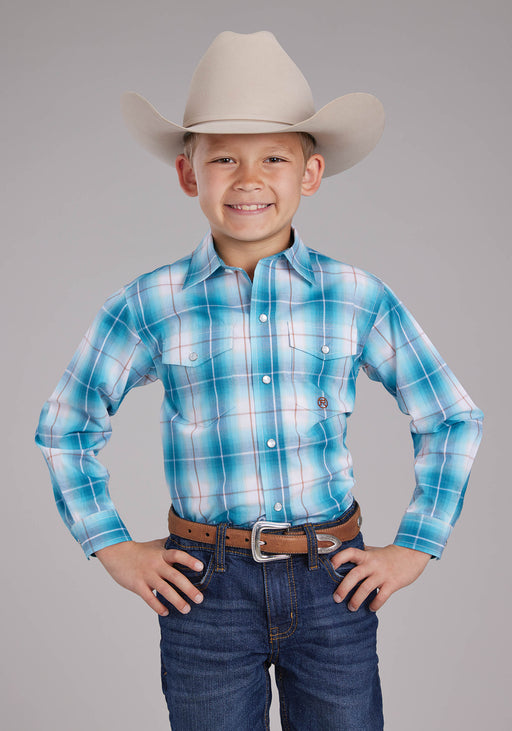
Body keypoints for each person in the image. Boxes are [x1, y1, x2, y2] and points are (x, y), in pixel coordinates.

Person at [35, 31, 483, 730]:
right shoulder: (150, 303)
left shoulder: (355, 296)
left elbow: (452, 416)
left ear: (310, 173)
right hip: (203, 589)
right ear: (189, 174)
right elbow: (67, 424)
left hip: (332, 580)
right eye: (223, 158)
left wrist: (415, 546)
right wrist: (111, 545)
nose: (248, 178)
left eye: (274, 157)